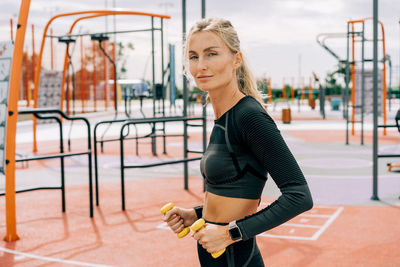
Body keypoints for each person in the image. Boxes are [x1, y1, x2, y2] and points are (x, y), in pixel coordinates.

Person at [162, 17, 313, 267]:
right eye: (193, 56)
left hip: (233, 256)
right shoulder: (224, 115)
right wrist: (195, 214)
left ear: (236, 59)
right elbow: (237, 189)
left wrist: (229, 234)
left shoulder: (249, 116)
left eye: (211, 54)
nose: (201, 65)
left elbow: (299, 195)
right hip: (218, 255)